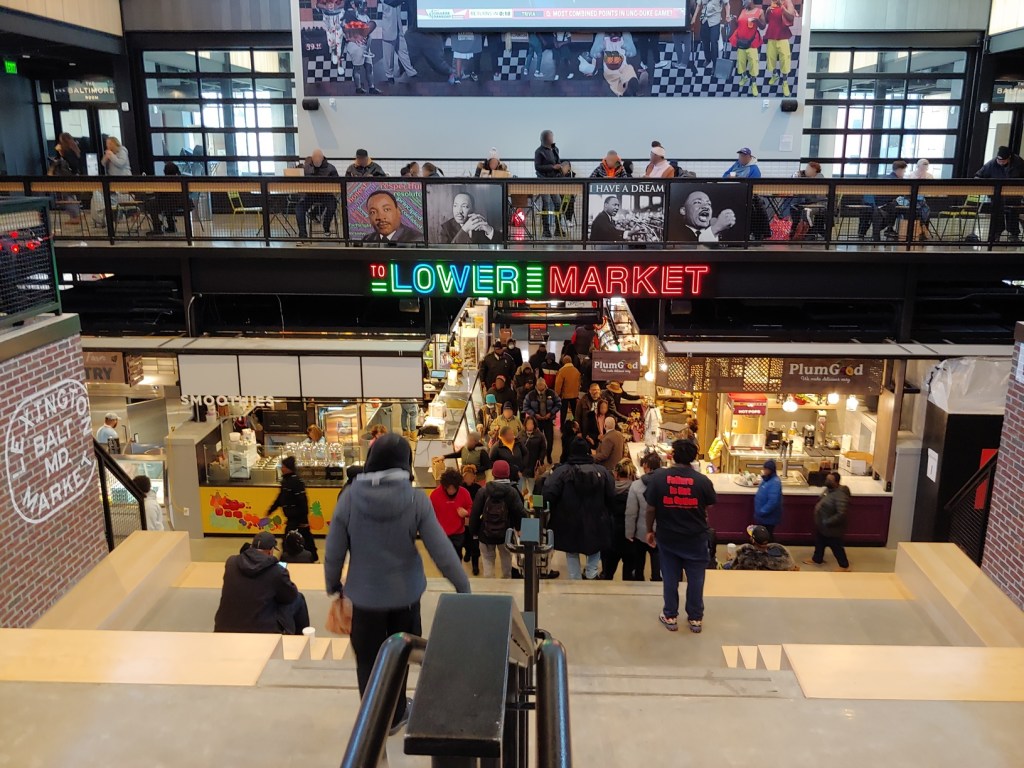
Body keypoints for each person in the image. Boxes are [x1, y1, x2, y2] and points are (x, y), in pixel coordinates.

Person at [325, 434, 470, 734]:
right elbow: (440, 549)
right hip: (405, 596)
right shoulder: (415, 500)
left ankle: (373, 719)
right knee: (401, 655)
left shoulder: (349, 497)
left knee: (367, 659)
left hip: (364, 597)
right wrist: (462, 585)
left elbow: (334, 548)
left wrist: (333, 584)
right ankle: (396, 713)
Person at [644, 439, 717, 633]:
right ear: (693, 458)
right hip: (696, 538)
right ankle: (695, 618)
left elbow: (650, 508)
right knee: (696, 579)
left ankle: (670, 615)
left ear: (673, 455)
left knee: (670, 578)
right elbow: (709, 505)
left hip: (668, 537)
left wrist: (649, 530)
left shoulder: (658, 479)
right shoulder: (702, 481)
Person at [544, 437, 615, 580]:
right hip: (597, 518)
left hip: (568, 519)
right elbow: (611, 494)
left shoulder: (562, 472)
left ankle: (575, 578)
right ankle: (591, 573)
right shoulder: (602, 472)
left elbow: (548, 494)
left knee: (571, 550)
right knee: (595, 547)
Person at [215, 531, 310, 634]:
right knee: (298, 598)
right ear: (270, 551)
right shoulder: (277, 571)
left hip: (224, 626)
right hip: (263, 630)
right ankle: (302, 638)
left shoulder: (231, 563)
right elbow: (290, 596)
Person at [469, 459, 525, 578]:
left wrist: (474, 533)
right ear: (508, 473)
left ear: (493, 473)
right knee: (506, 559)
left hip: (485, 533)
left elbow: (474, 514)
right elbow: (520, 512)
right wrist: (519, 528)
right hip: (506, 534)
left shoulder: (483, 491)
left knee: (488, 561)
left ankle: (490, 586)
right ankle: (506, 582)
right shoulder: (512, 492)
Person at [268, 456, 318, 563]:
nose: (282, 468)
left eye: (283, 466)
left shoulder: (296, 482)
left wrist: (304, 521)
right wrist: (272, 509)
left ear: (289, 468)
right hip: (292, 518)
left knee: (296, 539)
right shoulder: (286, 481)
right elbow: (281, 497)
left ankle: (289, 560)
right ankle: (310, 558)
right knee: (300, 539)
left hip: (298, 519)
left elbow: (303, 501)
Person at [803, 471, 851, 571]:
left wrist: (828, 521)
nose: (827, 481)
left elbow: (841, 514)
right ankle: (817, 559)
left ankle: (844, 566)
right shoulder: (828, 490)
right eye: (827, 479)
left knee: (837, 547)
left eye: (830, 480)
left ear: (836, 482)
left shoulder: (840, 495)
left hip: (832, 528)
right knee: (819, 543)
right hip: (823, 526)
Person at [975, 146, 1024, 243]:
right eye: (999, 160)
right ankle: (995, 234)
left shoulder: (1019, 163)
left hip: (1014, 195)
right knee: (997, 214)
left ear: (1009, 158)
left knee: (1012, 213)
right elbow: (979, 175)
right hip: (997, 195)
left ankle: (1014, 235)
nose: (1000, 162)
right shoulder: (992, 163)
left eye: (1003, 161)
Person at [625, 451, 662, 581]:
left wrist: (629, 532)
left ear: (646, 466)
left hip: (641, 532)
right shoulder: (665, 484)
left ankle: (639, 581)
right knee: (657, 561)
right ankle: (656, 581)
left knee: (639, 563)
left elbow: (631, 512)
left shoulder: (636, 485)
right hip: (661, 530)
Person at [600, 459, 636, 579]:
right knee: (628, 575)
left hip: (611, 536)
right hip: (630, 538)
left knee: (607, 573)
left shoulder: (607, 489)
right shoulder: (636, 491)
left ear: (616, 474)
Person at [296, 149, 340, 241]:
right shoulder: (306, 168)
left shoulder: (331, 168)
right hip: (310, 195)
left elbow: (337, 183)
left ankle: (326, 225)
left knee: (332, 206)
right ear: (312, 158)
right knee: (299, 208)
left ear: (322, 158)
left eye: (318, 160)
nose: (316, 162)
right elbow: (300, 181)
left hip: (326, 195)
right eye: (314, 160)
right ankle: (302, 235)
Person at [429, 468, 473, 556]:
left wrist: (467, 512)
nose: (451, 491)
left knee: (457, 557)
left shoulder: (464, 493)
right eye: (449, 488)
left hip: (458, 533)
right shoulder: (435, 495)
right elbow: (429, 514)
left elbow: (471, 508)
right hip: (441, 533)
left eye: (454, 488)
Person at [534, 129, 569, 238]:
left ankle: (558, 228)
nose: (552, 139)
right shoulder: (539, 151)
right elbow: (537, 167)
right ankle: (546, 229)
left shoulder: (555, 149)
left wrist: (561, 167)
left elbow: (558, 161)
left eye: (552, 137)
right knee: (546, 203)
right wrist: (552, 167)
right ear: (544, 139)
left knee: (558, 203)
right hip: (543, 181)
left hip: (554, 181)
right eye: (550, 137)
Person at [343, 0, 381, 94]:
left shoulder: (366, 17)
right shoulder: (349, 15)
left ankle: (371, 87)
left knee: (369, 67)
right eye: (363, 5)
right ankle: (358, 88)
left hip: (365, 46)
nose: (365, 7)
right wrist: (354, 38)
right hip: (356, 46)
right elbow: (344, 31)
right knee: (357, 68)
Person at [724, 524, 799, 570]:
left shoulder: (745, 554)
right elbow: (793, 567)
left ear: (752, 540)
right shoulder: (782, 551)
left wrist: (730, 559)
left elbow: (731, 566)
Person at [145, 161, 190, 236]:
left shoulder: (164, 181)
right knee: (167, 204)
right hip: (183, 203)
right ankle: (171, 226)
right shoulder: (181, 179)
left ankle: (157, 227)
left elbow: (158, 194)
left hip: (168, 203)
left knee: (151, 204)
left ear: (165, 171)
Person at [732, 0, 766, 96]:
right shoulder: (743, 10)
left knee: (753, 63)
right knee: (741, 62)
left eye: (744, 0)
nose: (743, 2)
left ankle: (753, 83)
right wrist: (735, 20)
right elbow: (739, 24)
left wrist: (757, 21)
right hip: (740, 41)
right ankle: (744, 77)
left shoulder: (759, 11)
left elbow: (763, 26)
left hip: (751, 42)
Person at [522, 377, 560, 464]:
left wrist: (551, 413)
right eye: (539, 385)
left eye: (542, 385)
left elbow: (558, 403)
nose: (540, 386)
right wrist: (534, 414)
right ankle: (539, 458)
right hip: (536, 421)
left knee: (550, 440)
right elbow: (525, 407)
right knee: (538, 440)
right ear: (536, 385)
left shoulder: (552, 393)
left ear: (545, 385)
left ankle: (549, 455)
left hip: (548, 420)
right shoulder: (530, 395)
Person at [379, 0, 417, 83]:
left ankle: (411, 72)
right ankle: (389, 76)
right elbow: (392, 2)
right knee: (388, 55)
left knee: (403, 51)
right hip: (389, 29)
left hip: (398, 28)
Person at [764, 0, 796, 97]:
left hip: (783, 36)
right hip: (771, 36)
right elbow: (767, 20)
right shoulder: (772, 3)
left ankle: (785, 82)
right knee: (770, 58)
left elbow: (791, 17)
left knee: (785, 59)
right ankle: (775, 75)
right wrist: (767, 11)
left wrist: (782, 7)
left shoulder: (787, 2)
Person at [693, 0, 730, 70]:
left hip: (715, 20)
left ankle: (715, 64)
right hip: (704, 20)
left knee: (714, 42)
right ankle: (708, 59)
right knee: (705, 41)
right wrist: (694, 18)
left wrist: (727, 15)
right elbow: (698, 5)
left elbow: (727, 4)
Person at [460, 463, 483, 574]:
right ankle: (467, 552)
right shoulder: (460, 488)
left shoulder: (479, 489)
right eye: (466, 476)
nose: (468, 478)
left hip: (475, 520)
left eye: (471, 476)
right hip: (462, 520)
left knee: (475, 543)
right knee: (465, 540)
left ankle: (475, 565)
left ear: (474, 477)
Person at [753, 459, 783, 540]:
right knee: (763, 536)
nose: (765, 471)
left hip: (768, 517)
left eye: (767, 469)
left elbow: (773, 502)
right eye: (764, 468)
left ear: (771, 470)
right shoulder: (766, 480)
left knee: (767, 537)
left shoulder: (775, 483)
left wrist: (762, 511)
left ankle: (770, 547)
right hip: (763, 516)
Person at [517, 416, 547, 496]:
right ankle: (523, 499)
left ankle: (531, 498)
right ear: (525, 425)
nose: (530, 425)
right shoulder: (520, 434)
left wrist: (540, 459)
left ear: (534, 425)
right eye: (528, 424)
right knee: (522, 486)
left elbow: (543, 449)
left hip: (533, 464)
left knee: (532, 485)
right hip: (522, 464)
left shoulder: (539, 435)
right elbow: (516, 447)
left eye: (531, 424)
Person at [554, 355, 581, 429]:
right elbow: (579, 384)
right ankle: (577, 426)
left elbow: (558, 384)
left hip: (564, 395)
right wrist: (577, 393)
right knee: (575, 412)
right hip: (574, 395)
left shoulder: (562, 371)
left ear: (563, 362)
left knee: (563, 412)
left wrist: (557, 394)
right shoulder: (576, 371)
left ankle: (562, 427)